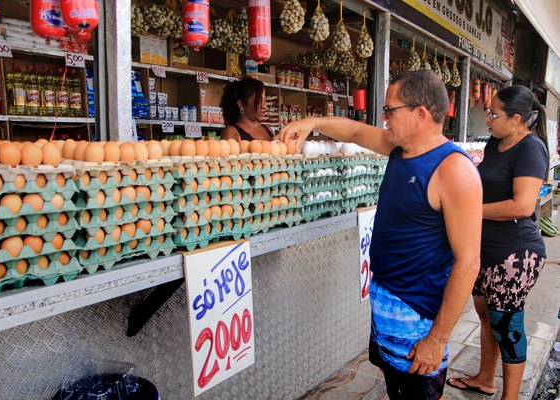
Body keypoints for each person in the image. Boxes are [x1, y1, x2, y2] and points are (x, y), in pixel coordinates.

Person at [281, 70, 483, 399]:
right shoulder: (399, 149)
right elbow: (356, 130)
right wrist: (311, 122)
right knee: (396, 389)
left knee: (420, 392)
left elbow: (468, 263)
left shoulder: (453, 170)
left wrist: (437, 339)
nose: (383, 117)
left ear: (421, 113)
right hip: (386, 302)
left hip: (418, 315)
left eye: (390, 110)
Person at [447, 86, 549, 399]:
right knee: (486, 315)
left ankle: (511, 396)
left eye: (493, 113)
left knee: (506, 323)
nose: (487, 118)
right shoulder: (495, 142)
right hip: (485, 247)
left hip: (515, 253)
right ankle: (485, 378)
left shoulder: (531, 148)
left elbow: (522, 206)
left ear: (517, 119)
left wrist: (469, 210)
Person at [219, 77, 275, 141]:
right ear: (241, 104)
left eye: (264, 100)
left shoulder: (268, 130)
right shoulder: (231, 132)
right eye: (258, 101)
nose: (264, 106)